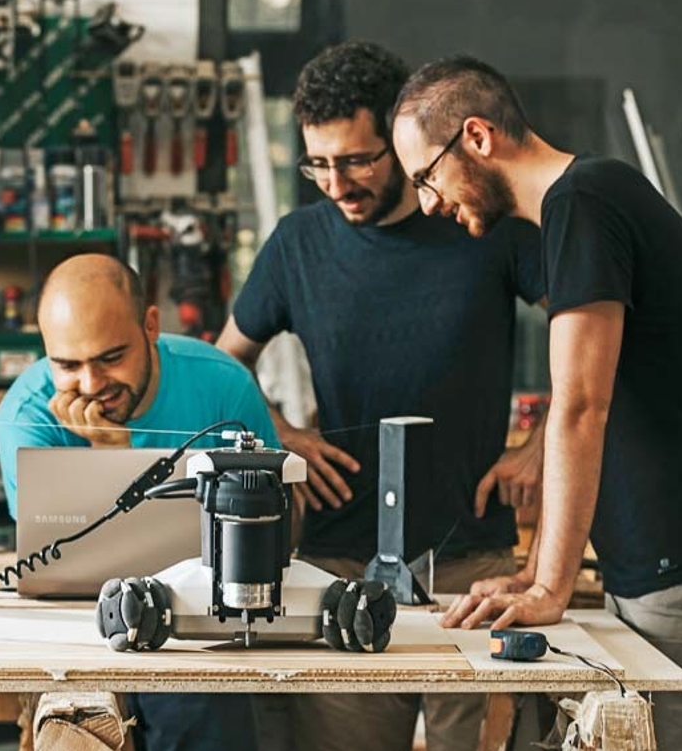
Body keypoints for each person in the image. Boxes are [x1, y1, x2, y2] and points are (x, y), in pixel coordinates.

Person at [391, 54, 682, 751]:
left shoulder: (585, 201)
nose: (428, 203)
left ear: (478, 137)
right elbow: (580, 406)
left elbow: (581, 406)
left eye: (427, 176)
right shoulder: (581, 206)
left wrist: (551, 584)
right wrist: (539, 570)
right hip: (671, 573)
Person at [215, 40, 545, 751]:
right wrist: (279, 434)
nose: (336, 183)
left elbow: (593, 333)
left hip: (473, 562)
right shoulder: (298, 243)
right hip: (339, 561)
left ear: (399, 139)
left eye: (357, 159)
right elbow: (221, 367)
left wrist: (543, 445)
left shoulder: (477, 220)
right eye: (319, 164)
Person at [0, 253, 278, 751]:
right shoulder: (26, 413)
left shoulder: (223, 387)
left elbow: (271, 535)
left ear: (151, 326)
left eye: (109, 358)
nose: (90, 385)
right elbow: (57, 564)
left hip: (201, 629)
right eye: (66, 364)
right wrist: (106, 457)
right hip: (74, 629)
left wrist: (118, 455)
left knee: (201, 707)